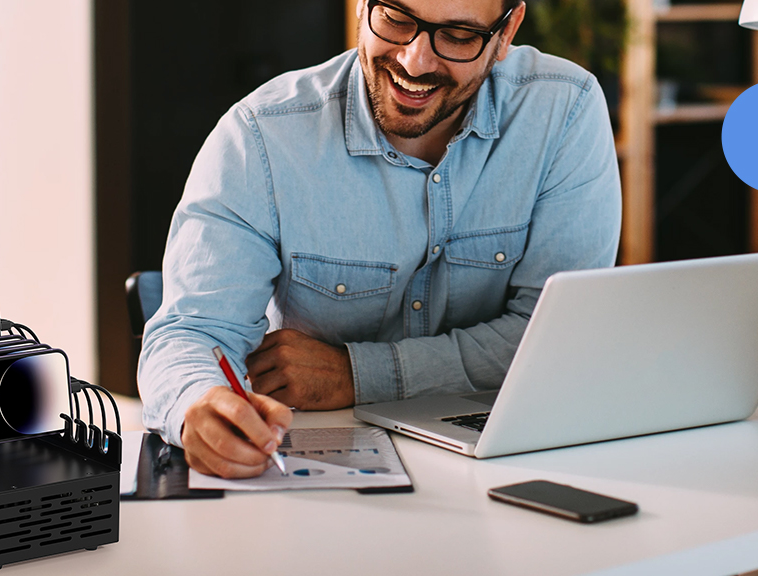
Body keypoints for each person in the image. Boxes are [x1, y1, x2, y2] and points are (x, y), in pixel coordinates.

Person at [138, 0, 621, 478]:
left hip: (506, 461)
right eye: (395, 18)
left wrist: (356, 375)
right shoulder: (262, 137)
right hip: (314, 475)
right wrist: (196, 404)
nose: (415, 61)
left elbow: (555, 339)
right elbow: (191, 334)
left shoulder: (564, 110)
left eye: (458, 35)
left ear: (506, 32)